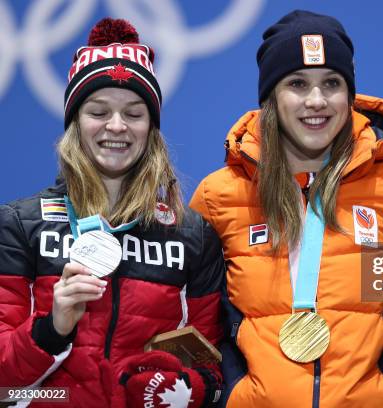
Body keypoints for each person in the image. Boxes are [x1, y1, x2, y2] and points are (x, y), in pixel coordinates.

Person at [189, 9, 383, 408]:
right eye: (297, 83)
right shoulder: (219, 196)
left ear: (350, 96)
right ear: (271, 97)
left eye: (331, 84)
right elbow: (190, 322)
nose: (316, 101)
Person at [0, 18, 223, 407]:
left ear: (151, 129)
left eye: (134, 114)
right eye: (99, 111)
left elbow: (212, 370)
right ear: (75, 123)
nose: (116, 126)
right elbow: (4, 388)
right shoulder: (20, 225)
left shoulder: (191, 236)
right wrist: (53, 329)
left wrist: (182, 392)